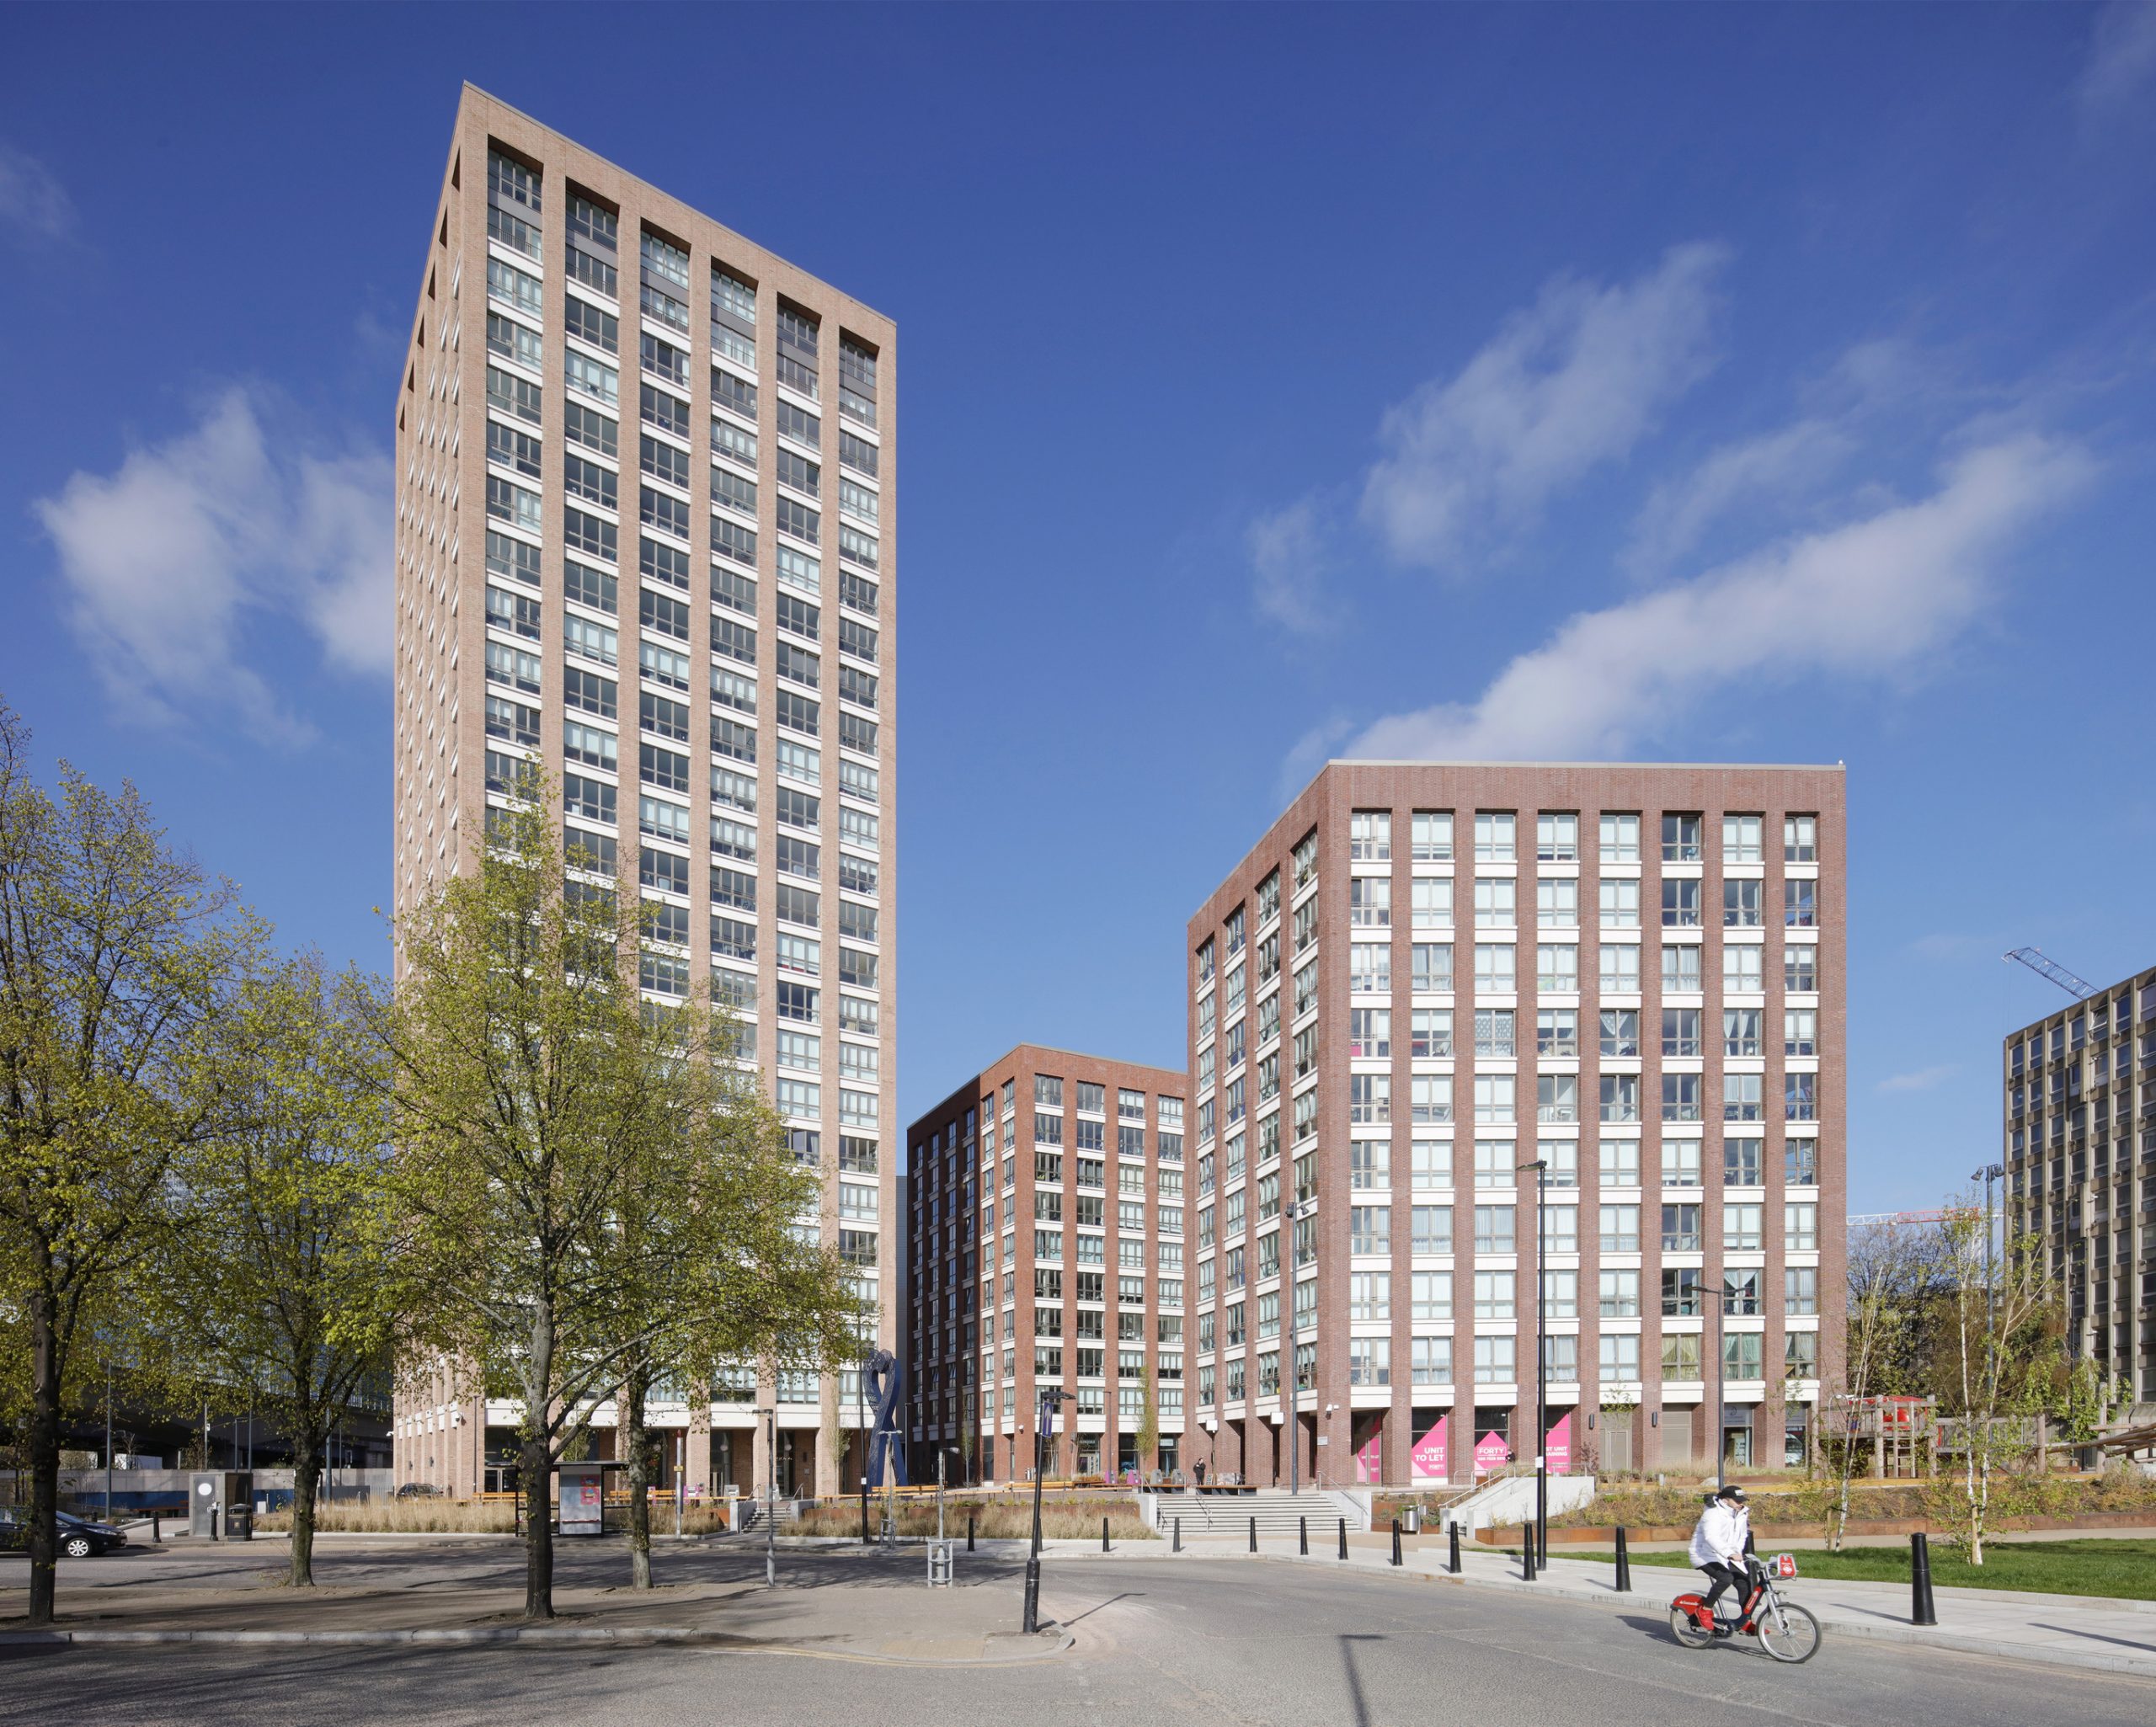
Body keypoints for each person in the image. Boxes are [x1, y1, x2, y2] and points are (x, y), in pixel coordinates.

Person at [1688, 1485, 1752, 1634]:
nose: (1741, 1503)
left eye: (1742, 1500)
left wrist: (1736, 1552)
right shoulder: (1712, 1513)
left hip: (1727, 1555)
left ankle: (1745, 1621)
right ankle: (1704, 1610)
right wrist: (1729, 1553)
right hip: (1704, 1554)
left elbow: (1742, 1536)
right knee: (1726, 1578)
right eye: (1737, 1501)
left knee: (1743, 1583)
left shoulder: (1741, 1513)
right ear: (1725, 1500)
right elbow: (1711, 1537)